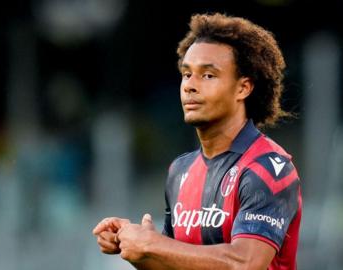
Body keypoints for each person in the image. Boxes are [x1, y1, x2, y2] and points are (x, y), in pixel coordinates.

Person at [92, 13, 302, 270]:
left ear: (243, 88)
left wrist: (153, 245)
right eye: (186, 74)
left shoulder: (267, 168)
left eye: (208, 75)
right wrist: (137, 249)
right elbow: (176, 264)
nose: (190, 85)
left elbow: (245, 263)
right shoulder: (180, 170)